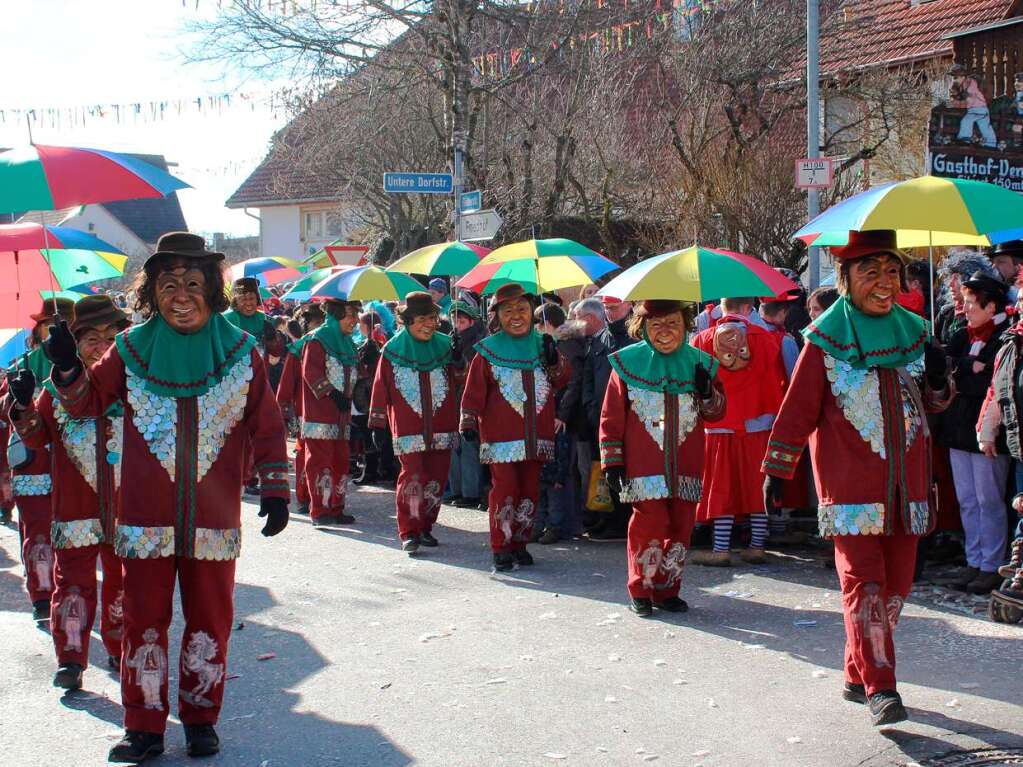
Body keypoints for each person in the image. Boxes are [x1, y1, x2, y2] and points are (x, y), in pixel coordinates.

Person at [44, 232, 289, 762]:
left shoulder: (243, 352)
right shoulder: (128, 350)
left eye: (193, 283)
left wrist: (275, 487)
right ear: (152, 292)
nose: (182, 294)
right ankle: (144, 727)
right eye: (169, 284)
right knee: (143, 620)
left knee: (211, 620)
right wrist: (66, 368)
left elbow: (266, 424)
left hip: (214, 517)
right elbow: (86, 405)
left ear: (212, 291)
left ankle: (201, 719)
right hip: (142, 520)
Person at [762, 230, 951, 727]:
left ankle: (856, 670)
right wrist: (776, 470)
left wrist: (936, 378)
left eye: (893, 272)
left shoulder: (916, 331)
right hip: (849, 491)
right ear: (845, 279)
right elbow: (798, 410)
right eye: (871, 272)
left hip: (907, 489)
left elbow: (931, 407)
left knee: (897, 588)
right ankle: (882, 688)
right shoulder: (824, 340)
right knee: (864, 586)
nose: (885, 283)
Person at [7, 295, 130, 690]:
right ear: (74, 344)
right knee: (73, 584)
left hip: (129, 507)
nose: (103, 344)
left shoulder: (140, 386)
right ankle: (72, 659)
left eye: (113, 334)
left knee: (123, 581)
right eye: (91, 337)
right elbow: (36, 437)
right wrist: (23, 405)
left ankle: (118, 646)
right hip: (74, 509)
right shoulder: (57, 388)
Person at [599, 300, 724, 616]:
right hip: (643, 466)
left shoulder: (702, 364)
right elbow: (610, 417)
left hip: (688, 464)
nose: (665, 332)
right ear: (642, 329)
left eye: (673, 324)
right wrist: (612, 460)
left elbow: (717, 412)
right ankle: (641, 588)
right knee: (649, 524)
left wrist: (707, 391)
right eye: (657, 325)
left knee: (682, 526)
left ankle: (668, 589)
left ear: (685, 326)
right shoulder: (627, 365)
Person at [460, 284, 570, 571]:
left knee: (529, 491)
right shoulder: (486, 351)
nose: (517, 316)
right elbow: (474, 391)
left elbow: (562, 379)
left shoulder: (543, 344)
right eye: (508, 311)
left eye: (522, 309)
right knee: (505, 490)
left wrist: (554, 357)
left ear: (532, 312)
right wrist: (469, 420)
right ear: (497, 316)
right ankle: (501, 546)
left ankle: (520, 543)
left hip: (537, 436)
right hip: (500, 437)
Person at [692, 298, 786, 565]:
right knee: (756, 485)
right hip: (758, 420)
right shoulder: (767, 338)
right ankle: (757, 545)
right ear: (748, 309)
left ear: (722, 308)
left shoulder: (701, 340)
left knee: (721, 487)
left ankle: (721, 549)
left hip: (718, 423)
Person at [369, 292, 463, 554]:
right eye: (422, 319)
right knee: (412, 477)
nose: (428, 325)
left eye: (432, 318)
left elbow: (460, 380)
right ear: (408, 321)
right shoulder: (392, 350)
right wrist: (377, 424)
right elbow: (380, 387)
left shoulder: (446, 345)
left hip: (442, 425)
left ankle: (425, 526)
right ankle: (409, 531)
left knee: (436, 478)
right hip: (408, 428)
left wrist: (459, 360)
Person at [3, 297, 74, 622]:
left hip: (76, 464)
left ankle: (72, 597)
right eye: (51, 323)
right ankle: (42, 595)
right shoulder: (24, 363)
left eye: (66, 322)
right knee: (38, 533)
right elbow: (7, 408)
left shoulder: (86, 362)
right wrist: (18, 398)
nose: (59, 329)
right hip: (33, 462)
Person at [940, 272, 1011, 595]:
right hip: (958, 427)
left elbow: (990, 384)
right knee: (967, 500)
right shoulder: (963, 335)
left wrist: (965, 371)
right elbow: (944, 365)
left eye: (971, 302)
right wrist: (968, 366)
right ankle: (973, 560)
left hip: (987, 430)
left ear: (990, 304)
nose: (965, 308)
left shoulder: (1003, 335)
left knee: (989, 500)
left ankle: (991, 564)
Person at [300, 298, 361, 528]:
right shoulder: (317, 340)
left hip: (343, 416)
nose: (355, 321)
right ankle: (319, 510)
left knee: (341, 462)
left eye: (356, 315)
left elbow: (357, 373)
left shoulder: (349, 343)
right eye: (350, 315)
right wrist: (333, 394)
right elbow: (310, 372)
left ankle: (337, 507)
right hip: (320, 415)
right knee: (320, 463)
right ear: (335, 316)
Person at [275, 303, 324, 515]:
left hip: (326, 408)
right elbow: (287, 383)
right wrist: (283, 408)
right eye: (315, 322)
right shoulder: (299, 348)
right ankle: (304, 497)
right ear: (305, 324)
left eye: (322, 322)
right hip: (302, 408)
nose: (319, 326)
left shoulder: (329, 344)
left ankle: (324, 498)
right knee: (304, 452)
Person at [445, 300, 485, 508]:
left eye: (461, 321)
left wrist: (460, 357)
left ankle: (471, 492)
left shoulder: (478, 341)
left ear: (470, 321)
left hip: (469, 400)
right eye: (454, 320)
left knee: (469, 446)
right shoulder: (451, 340)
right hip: (452, 399)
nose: (457, 324)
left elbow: (470, 371)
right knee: (454, 446)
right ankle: (456, 489)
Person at [949, 63, 997, 149]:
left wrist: (959, 103)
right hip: (974, 110)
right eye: (952, 78)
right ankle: (991, 144)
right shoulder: (961, 86)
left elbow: (970, 100)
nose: (953, 80)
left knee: (966, 121)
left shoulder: (971, 84)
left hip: (979, 109)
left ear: (962, 76)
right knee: (984, 126)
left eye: (955, 78)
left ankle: (965, 140)